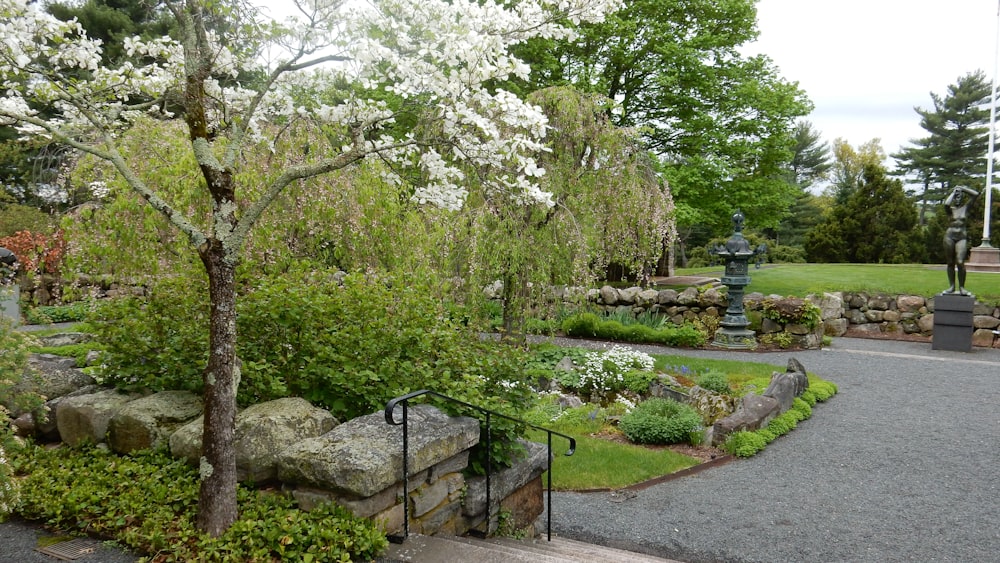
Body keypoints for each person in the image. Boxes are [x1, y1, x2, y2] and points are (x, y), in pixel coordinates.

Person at [942, 186, 980, 296]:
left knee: (960, 261)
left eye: (959, 196)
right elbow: (946, 204)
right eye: (956, 197)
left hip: (961, 238)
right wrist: (954, 192)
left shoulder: (966, 208)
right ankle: (952, 287)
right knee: (950, 262)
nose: (957, 198)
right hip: (949, 237)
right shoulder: (950, 210)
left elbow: (975, 194)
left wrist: (962, 188)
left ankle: (962, 287)